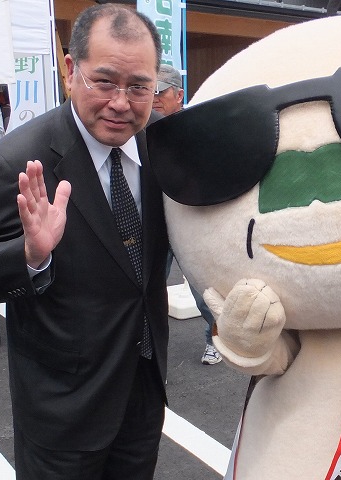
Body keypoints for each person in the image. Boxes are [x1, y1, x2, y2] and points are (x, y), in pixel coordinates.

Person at [0, 5, 169, 479]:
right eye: (104, 82)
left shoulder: (164, 145)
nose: (121, 102)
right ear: (71, 70)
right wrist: (30, 255)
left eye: (138, 86)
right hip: (63, 408)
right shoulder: (16, 160)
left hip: (143, 387)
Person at [153, 64, 222, 365]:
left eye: (160, 91)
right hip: (152, 221)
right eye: (149, 90)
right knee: (148, 291)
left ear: (178, 95)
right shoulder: (139, 128)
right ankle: (149, 354)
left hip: (189, 221)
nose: (154, 98)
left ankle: (215, 340)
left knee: (203, 291)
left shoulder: (194, 128)